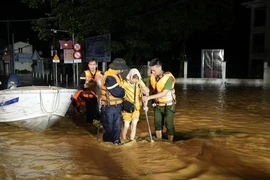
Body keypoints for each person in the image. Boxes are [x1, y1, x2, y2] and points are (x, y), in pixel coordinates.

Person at [142, 58, 176, 142]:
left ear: (159, 67)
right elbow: (147, 91)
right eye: (151, 70)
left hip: (169, 105)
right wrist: (145, 104)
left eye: (153, 70)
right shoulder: (151, 77)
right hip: (157, 105)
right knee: (157, 123)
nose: (152, 72)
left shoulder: (168, 77)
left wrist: (149, 98)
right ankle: (159, 141)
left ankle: (170, 143)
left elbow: (164, 93)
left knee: (169, 125)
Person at [100, 58, 128, 144]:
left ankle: (116, 144)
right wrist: (124, 92)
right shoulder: (109, 77)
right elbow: (118, 92)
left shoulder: (117, 75)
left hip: (117, 106)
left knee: (117, 128)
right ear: (118, 68)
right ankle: (108, 146)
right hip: (109, 107)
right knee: (109, 129)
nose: (123, 70)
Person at [121, 68, 149, 143]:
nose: (134, 80)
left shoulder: (139, 83)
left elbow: (146, 92)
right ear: (129, 77)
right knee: (126, 125)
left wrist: (145, 105)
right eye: (133, 78)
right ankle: (123, 139)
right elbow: (117, 89)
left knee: (134, 125)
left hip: (136, 108)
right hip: (127, 108)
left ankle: (131, 140)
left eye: (136, 79)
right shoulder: (125, 83)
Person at [78, 58, 103, 124]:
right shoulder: (84, 73)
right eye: (91, 64)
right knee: (90, 110)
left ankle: (97, 121)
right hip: (88, 94)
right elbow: (80, 85)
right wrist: (85, 86)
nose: (92, 66)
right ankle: (89, 122)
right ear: (88, 65)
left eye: (94, 64)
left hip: (99, 95)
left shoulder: (100, 73)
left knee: (98, 110)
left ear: (96, 65)